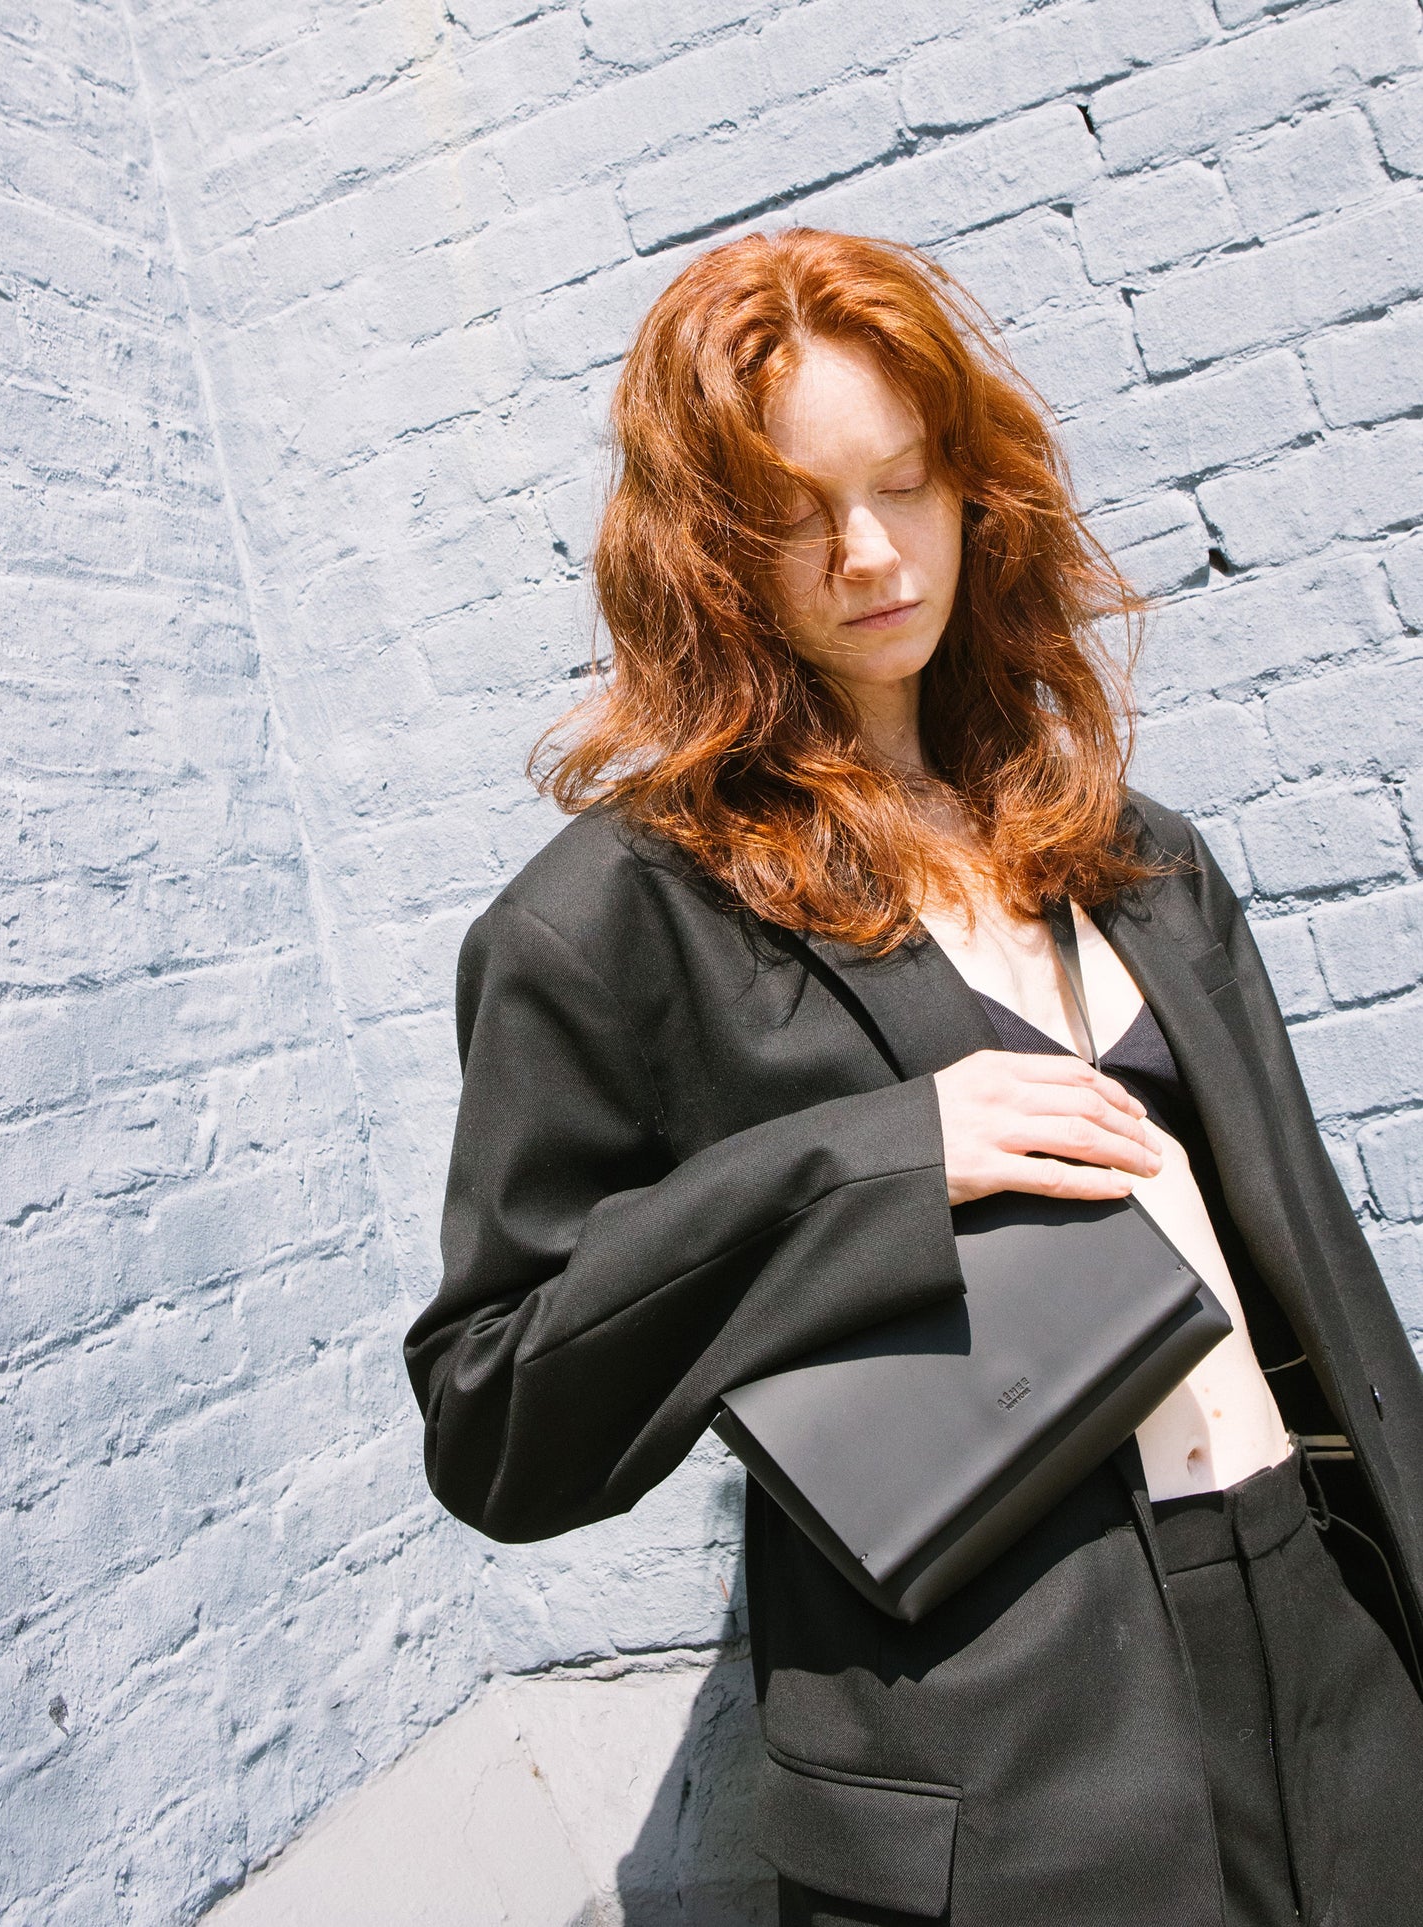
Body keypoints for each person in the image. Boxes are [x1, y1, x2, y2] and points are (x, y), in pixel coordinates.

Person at [404, 229, 1423, 1926]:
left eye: (907, 483)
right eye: (793, 515)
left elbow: (1314, 1271)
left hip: (1334, 1655)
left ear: (976, 491)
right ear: (703, 553)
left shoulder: (1133, 857)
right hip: (1013, 1773)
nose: (868, 553)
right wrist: (882, 1164)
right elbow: (495, 1420)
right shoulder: (607, 928)